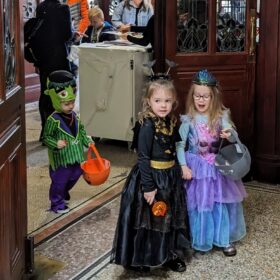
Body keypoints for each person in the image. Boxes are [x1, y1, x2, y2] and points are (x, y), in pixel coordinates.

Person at [111, 78, 191, 272]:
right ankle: (145, 256)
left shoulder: (171, 121)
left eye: (167, 101)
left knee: (168, 217)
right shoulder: (147, 125)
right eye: (158, 100)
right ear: (148, 101)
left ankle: (168, 254)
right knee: (150, 219)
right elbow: (143, 157)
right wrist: (148, 187)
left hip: (169, 177)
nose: (163, 105)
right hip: (151, 179)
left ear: (174, 102)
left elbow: (176, 145)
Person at [176, 69, 247, 256]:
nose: (201, 100)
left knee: (219, 202)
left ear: (213, 97)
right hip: (196, 169)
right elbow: (179, 145)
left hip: (216, 168)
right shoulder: (188, 121)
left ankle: (223, 239)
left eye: (205, 96)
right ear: (192, 97)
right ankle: (200, 238)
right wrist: (183, 166)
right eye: (197, 96)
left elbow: (233, 135)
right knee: (198, 204)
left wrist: (229, 134)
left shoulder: (220, 117)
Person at [43, 70, 93, 213]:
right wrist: (56, 144)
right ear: (56, 101)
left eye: (72, 103)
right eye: (66, 104)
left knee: (76, 175)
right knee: (59, 181)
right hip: (62, 159)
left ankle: (64, 192)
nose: (70, 106)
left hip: (76, 156)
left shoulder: (75, 116)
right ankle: (56, 204)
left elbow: (81, 131)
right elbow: (46, 138)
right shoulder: (52, 120)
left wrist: (86, 140)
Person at [34, 0, 74, 141]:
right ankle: (59, 131)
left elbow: (36, 32)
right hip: (59, 58)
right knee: (61, 93)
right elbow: (67, 35)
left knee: (45, 93)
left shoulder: (41, 7)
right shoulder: (63, 9)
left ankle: (45, 131)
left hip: (43, 57)